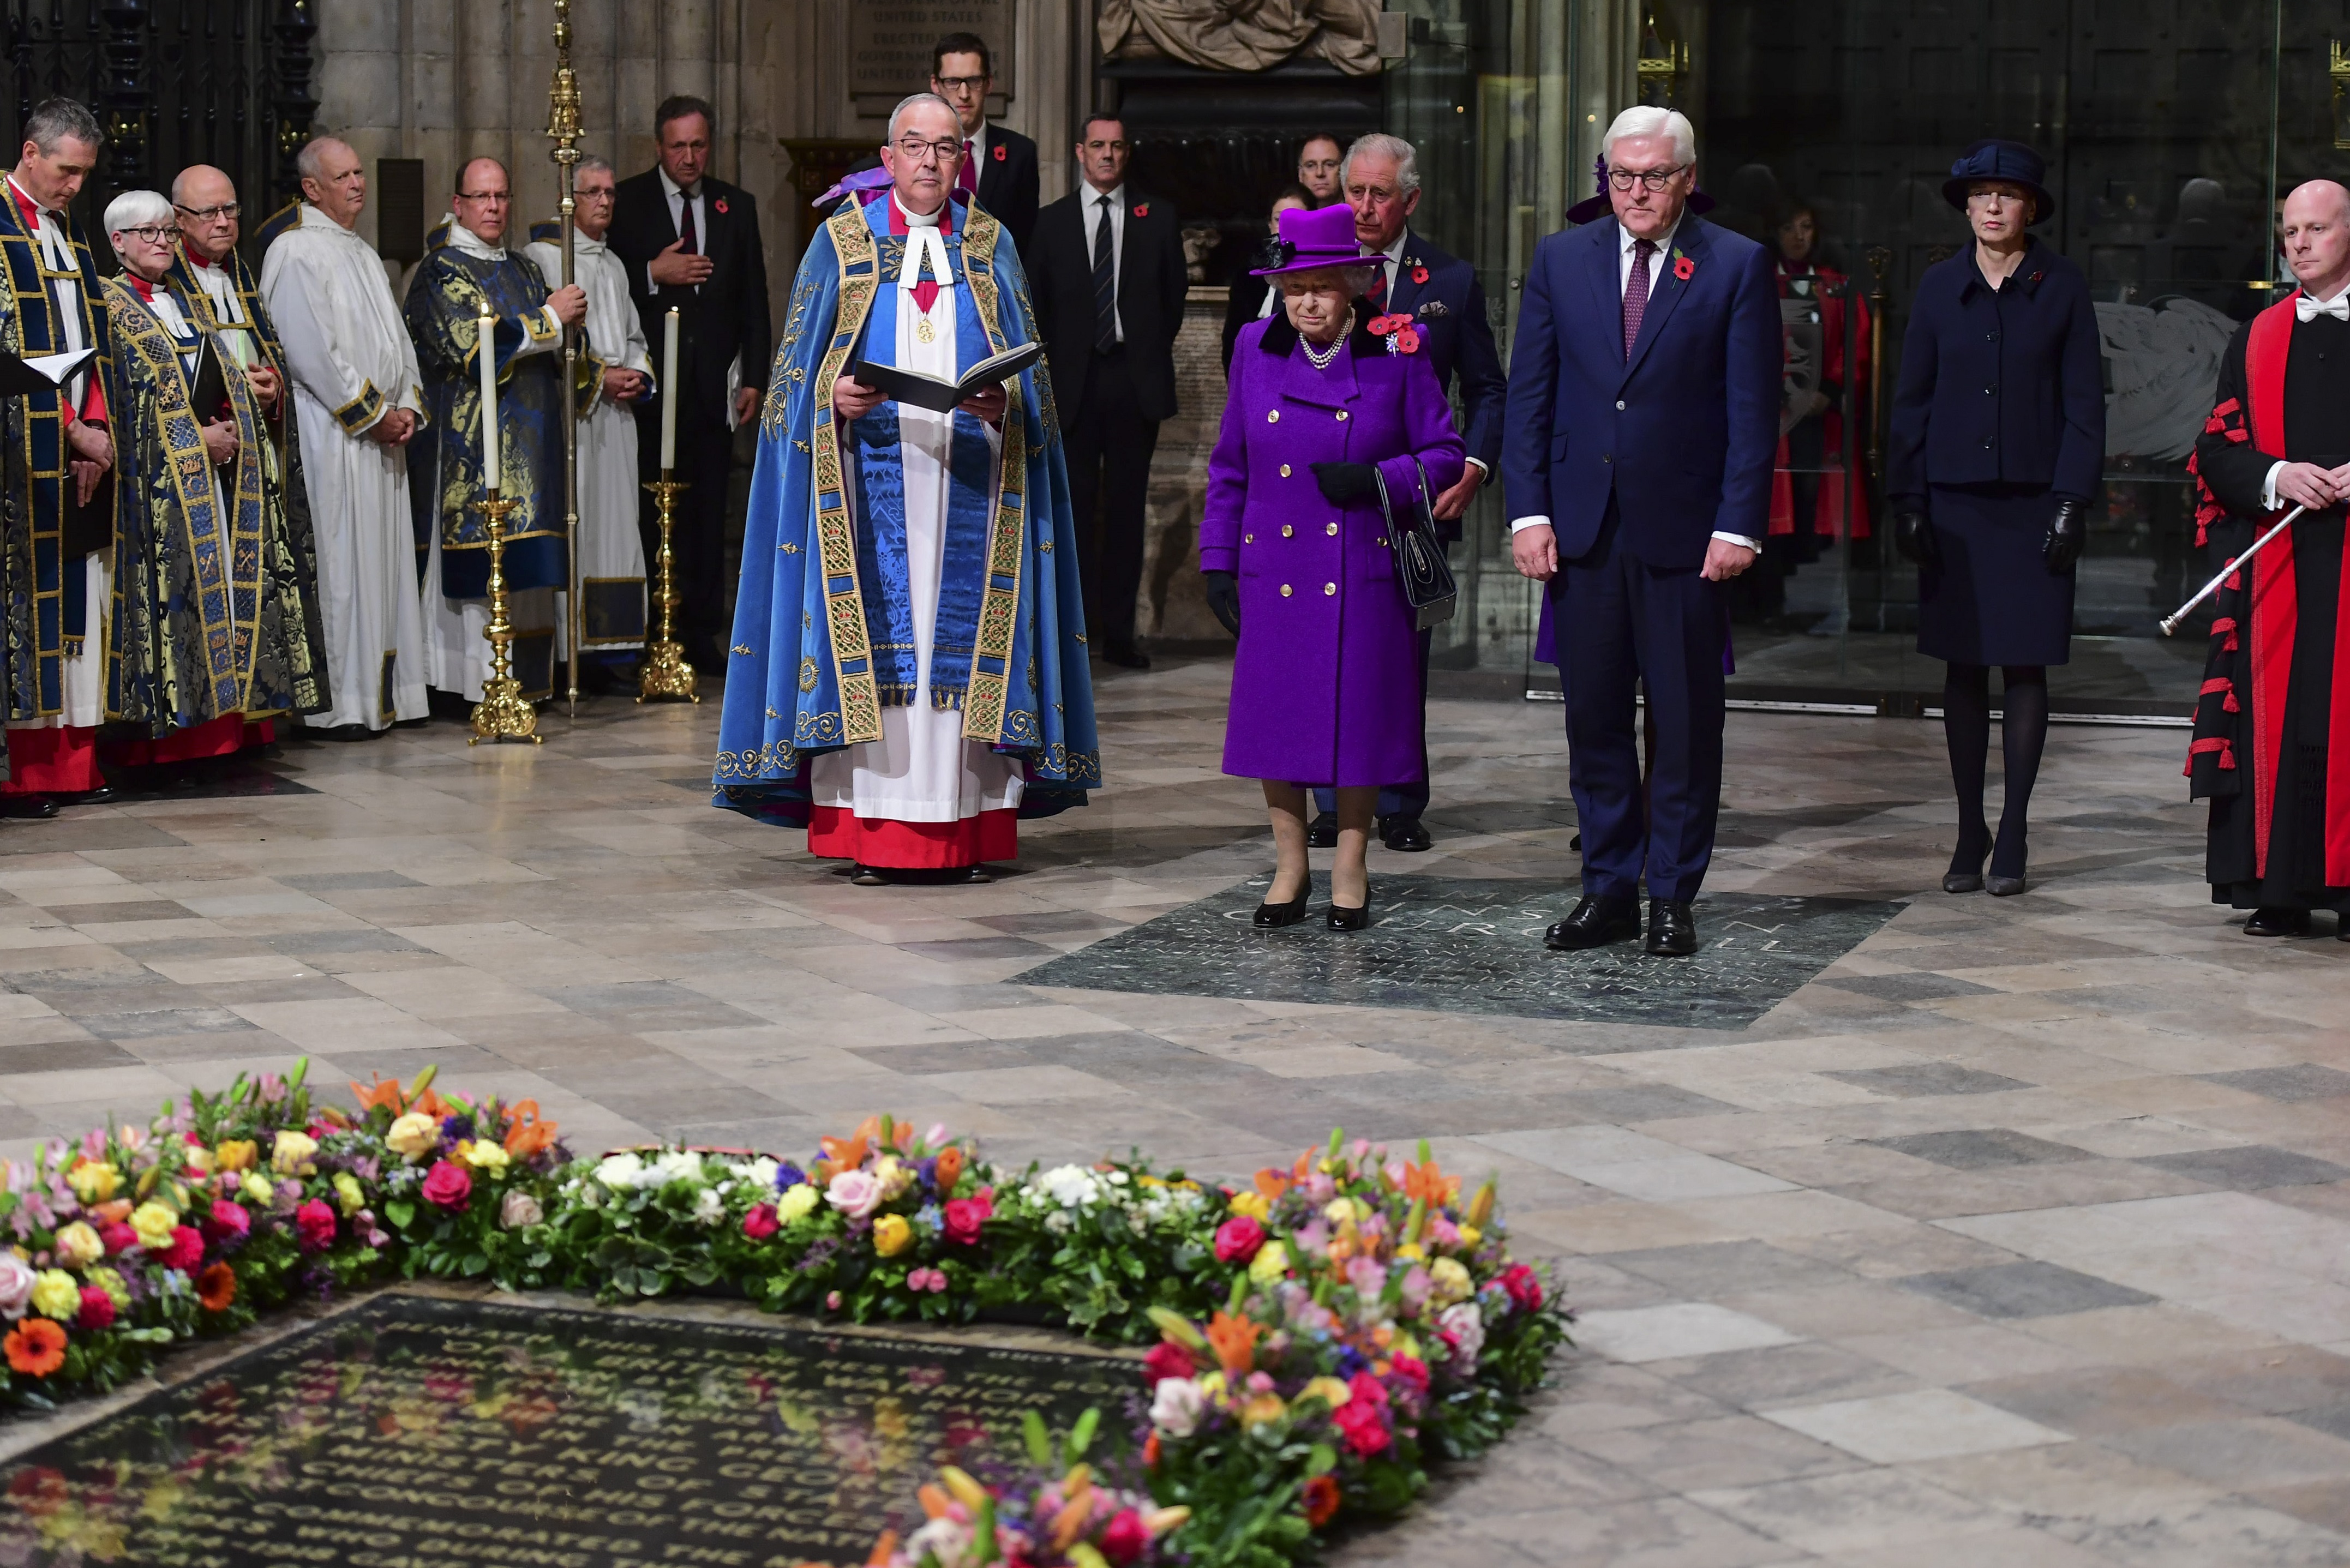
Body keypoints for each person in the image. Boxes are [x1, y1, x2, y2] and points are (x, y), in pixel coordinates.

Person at [712, 92, 1099, 881]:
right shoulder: (841, 242)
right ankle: (872, 831)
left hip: (973, 488)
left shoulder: (992, 245)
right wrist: (833, 397)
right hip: (867, 489)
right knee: (884, 651)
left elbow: (1037, 386)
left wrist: (1005, 402)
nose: (929, 161)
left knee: (955, 653)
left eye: (945, 148)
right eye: (915, 146)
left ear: (963, 159)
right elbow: (789, 384)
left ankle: (962, 828)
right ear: (888, 159)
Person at [1502, 106, 1778, 957]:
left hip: (1688, 533)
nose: (1637, 192)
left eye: (1654, 176)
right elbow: (1530, 394)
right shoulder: (1561, 259)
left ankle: (1672, 895)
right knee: (1593, 719)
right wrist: (1529, 510)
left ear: (1687, 178)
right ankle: (1608, 888)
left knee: (1686, 722)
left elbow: (1753, 410)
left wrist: (1739, 524)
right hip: (1583, 530)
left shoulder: (1734, 263)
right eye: (1622, 176)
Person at [1199, 201, 1465, 930]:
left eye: (1320, 287)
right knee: (1276, 721)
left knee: (1360, 721)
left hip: (1360, 566)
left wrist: (1381, 480)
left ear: (1353, 283)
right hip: (1273, 568)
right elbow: (1230, 465)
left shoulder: (1396, 349)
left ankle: (1351, 864)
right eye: (1294, 289)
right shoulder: (1255, 346)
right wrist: (1218, 558)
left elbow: (1445, 454)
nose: (1307, 303)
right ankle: (1290, 866)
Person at [1887, 140, 2101, 899]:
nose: (1992, 206)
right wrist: (1908, 499)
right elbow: (1911, 403)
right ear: (1966, 206)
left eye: (2007, 195)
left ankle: (2014, 827)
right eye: (1980, 194)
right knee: (1963, 665)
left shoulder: (2063, 286)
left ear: (2031, 207)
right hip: (1955, 505)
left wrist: (2072, 502)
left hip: (2036, 504)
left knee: (2027, 664)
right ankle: (1969, 826)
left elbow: (2085, 408)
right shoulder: (1939, 287)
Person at [1304, 132, 1507, 854]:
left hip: (1414, 498)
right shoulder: (1312, 272)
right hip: (1327, 498)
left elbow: (1487, 388)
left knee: (1399, 660)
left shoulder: (1448, 280)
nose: (1363, 206)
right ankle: (1331, 800)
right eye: (1353, 191)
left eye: (1379, 193)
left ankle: (1397, 801)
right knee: (1328, 652)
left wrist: (1474, 467)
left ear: (1409, 199)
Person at [96, 190, 328, 761]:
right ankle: (169, 750)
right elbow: (121, 400)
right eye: (148, 233)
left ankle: (221, 737)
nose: (162, 242)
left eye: (167, 232)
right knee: (174, 612)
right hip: (156, 494)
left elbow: (220, 375)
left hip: (219, 482)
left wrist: (231, 421)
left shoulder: (188, 301)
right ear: (118, 242)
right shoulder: (108, 305)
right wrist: (195, 439)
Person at [2187, 178, 2350, 941]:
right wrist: (2277, 476)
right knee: (2281, 723)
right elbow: (2215, 450)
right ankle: (2277, 887)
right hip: (2280, 556)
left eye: (2317, 228)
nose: (2300, 244)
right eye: (2290, 231)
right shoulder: (2255, 337)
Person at [259, 135, 432, 738]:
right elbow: (310, 352)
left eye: (360, 173)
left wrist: (406, 406)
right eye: (343, 176)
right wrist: (372, 413)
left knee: (382, 569)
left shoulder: (360, 250)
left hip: (379, 437)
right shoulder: (294, 250)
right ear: (312, 188)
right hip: (333, 436)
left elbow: (397, 340)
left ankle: (389, 697)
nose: (358, 184)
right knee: (342, 566)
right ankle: (340, 705)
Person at [404, 157, 586, 706]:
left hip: (531, 446)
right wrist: (550, 320)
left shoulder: (525, 269)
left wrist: (576, 337)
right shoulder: (441, 270)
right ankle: (470, 684)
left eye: (502, 196)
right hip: (471, 444)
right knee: (479, 570)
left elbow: (562, 343)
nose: (493, 207)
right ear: (458, 204)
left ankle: (525, 683)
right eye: (481, 197)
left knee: (527, 569)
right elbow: (471, 346)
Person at [166, 163, 326, 758]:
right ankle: (206, 736)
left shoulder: (240, 274)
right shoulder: (169, 282)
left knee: (257, 595)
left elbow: (269, 354)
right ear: (178, 220)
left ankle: (252, 721)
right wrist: (237, 391)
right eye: (208, 212)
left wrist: (273, 386)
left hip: (255, 463)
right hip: (206, 464)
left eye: (230, 209)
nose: (223, 222)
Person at [608, 95, 771, 678]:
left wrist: (756, 377)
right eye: (678, 146)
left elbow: (754, 297)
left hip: (712, 390)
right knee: (649, 509)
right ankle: (651, 630)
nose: (689, 157)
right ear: (659, 147)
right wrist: (653, 274)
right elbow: (600, 280)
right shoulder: (626, 202)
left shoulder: (735, 205)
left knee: (707, 513)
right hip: (648, 387)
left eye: (698, 145)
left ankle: (701, 632)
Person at [1026, 111, 1188, 669]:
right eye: (1098, 145)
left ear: (1127, 152)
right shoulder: (1050, 223)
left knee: (1125, 513)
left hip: (1132, 381)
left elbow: (1172, 299)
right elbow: (1037, 305)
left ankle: (1120, 635)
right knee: (1071, 512)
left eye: (1117, 146)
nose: (1108, 155)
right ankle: (1073, 636)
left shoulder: (1157, 217)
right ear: (1080, 152)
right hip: (1072, 384)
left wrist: (1143, 351)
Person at [0, 98, 115, 815]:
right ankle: (19, 774)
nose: (75, 186)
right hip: (16, 455)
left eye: (85, 174)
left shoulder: (65, 230)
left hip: (73, 445)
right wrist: (69, 429)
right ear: (30, 153)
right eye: (67, 171)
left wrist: (93, 424)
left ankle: (69, 764)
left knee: (74, 605)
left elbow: (88, 337)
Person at [524, 156, 652, 683]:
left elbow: (635, 337)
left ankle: (614, 649)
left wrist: (637, 374)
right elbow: (548, 344)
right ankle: (570, 651)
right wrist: (600, 378)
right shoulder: (545, 257)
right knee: (580, 525)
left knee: (617, 530)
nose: (604, 201)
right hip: (571, 414)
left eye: (610, 193)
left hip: (616, 418)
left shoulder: (614, 263)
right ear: (570, 200)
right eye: (593, 192)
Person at [1765, 202, 1871, 582]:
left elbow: (1855, 343)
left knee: (1817, 495)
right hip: (1771, 413)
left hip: (1821, 412)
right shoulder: (1757, 282)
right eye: (1789, 227)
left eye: (1806, 227)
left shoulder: (1835, 287)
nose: (1799, 236)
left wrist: (1828, 389)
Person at [931, 31, 1038, 255]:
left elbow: (1025, 241)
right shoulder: (915, 151)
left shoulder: (1020, 154)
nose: (964, 94)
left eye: (973, 81)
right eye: (953, 82)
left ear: (989, 83)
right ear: (935, 85)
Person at [1221, 183, 1311, 370]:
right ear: (1270, 224)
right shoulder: (1247, 280)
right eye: (1279, 219)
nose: (1286, 227)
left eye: (1296, 219)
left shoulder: (1326, 277)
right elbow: (1232, 346)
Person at [1297, 135, 1344, 208]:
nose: (1320, 173)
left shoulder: (1359, 213)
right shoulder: (1288, 213)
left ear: (1344, 171)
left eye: (1329, 165)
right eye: (1310, 166)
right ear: (1300, 174)